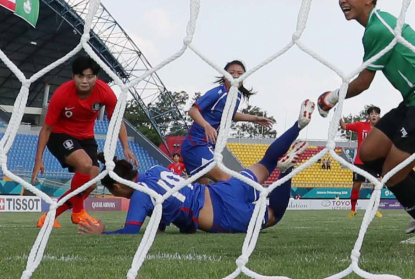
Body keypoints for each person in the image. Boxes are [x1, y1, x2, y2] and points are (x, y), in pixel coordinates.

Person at [317, 0, 415, 245]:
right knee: (369, 152)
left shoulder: (378, 29)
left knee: (392, 175)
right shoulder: (379, 24)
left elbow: (363, 83)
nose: (343, 1)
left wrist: (329, 99)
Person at [78, 100, 314, 235]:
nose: (113, 194)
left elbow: (129, 232)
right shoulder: (155, 171)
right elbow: (164, 209)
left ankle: (286, 171)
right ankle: (297, 125)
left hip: (220, 214)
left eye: (112, 190)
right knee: (265, 164)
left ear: (119, 186)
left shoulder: (141, 195)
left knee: (273, 216)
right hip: (221, 189)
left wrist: (103, 233)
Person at [32, 55, 137, 228]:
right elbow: (46, 129)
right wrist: (38, 159)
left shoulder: (105, 92)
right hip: (60, 135)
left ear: (96, 77)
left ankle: (49, 217)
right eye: (80, 76)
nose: (85, 81)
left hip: (86, 138)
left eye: (90, 76)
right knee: (85, 164)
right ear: (73, 77)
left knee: (90, 183)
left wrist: (126, 147)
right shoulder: (62, 94)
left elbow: (117, 121)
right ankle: (78, 213)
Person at [181, 60, 274, 184]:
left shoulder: (237, 96)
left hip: (208, 144)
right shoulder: (217, 93)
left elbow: (232, 115)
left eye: (240, 73)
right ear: (225, 76)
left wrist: (255, 119)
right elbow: (193, 111)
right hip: (196, 145)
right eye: (232, 72)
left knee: (203, 193)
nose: (236, 75)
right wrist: (206, 126)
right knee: (226, 180)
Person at [340, 106, 383, 218]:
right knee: (356, 185)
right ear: (368, 116)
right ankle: (353, 210)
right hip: (360, 161)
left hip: (374, 162)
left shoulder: (383, 128)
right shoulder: (360, 125)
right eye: (371, 113)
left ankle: (375, 209)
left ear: (379, 116)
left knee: (377, 185)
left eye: (376, 113)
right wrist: (338, 115)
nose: (374, 115)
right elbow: (344, 126)